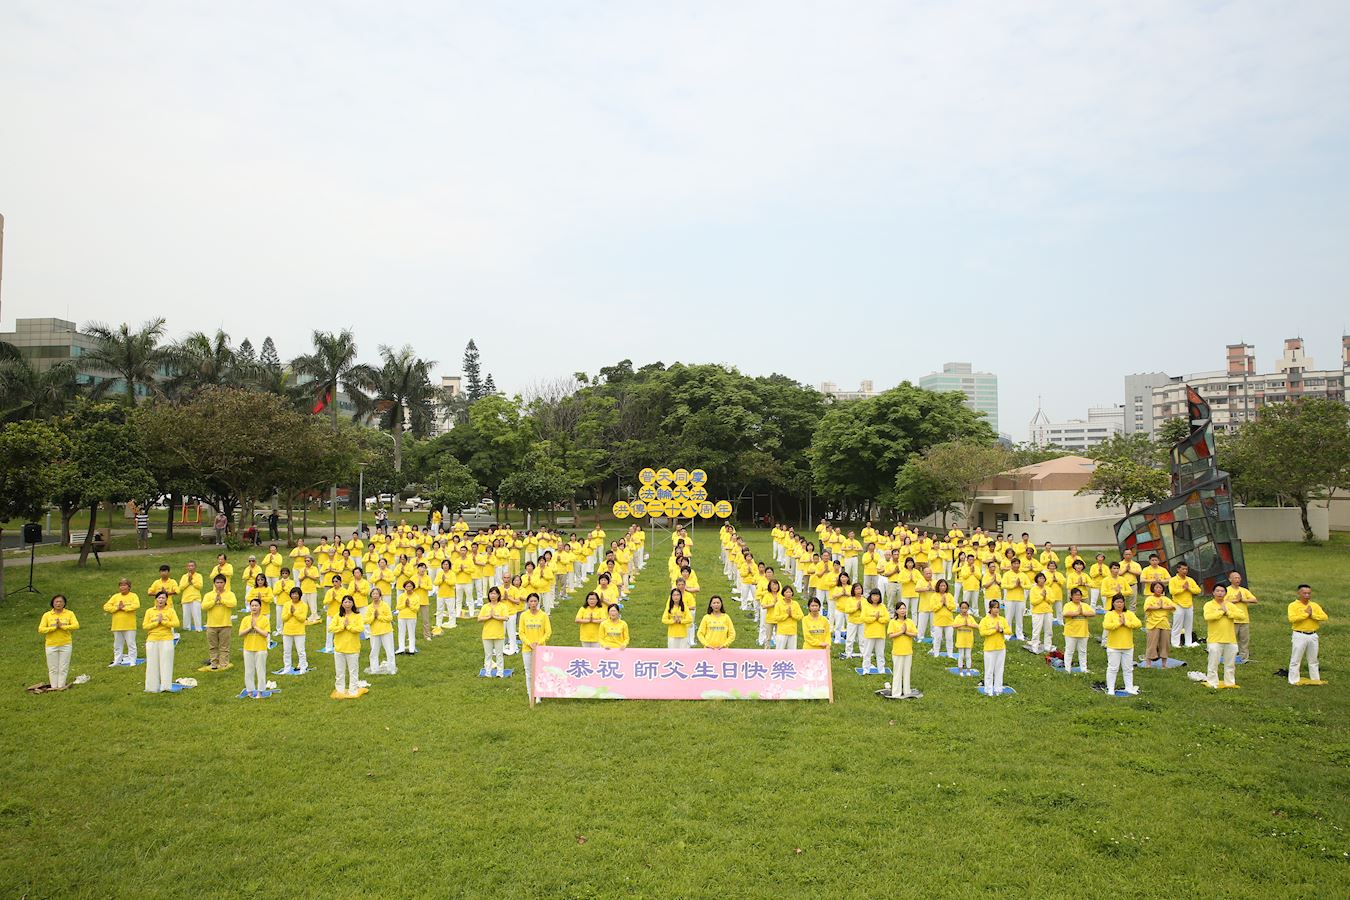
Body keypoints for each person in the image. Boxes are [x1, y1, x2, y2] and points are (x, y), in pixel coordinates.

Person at [1287, 584, 1329, 685]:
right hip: (1299, 634)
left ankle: (1315, 679)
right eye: (1304, 593)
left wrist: (1312, 615)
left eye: (1309, 593)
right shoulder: (1293, 605)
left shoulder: (1314, 605)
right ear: (1299, 593)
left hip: (1313, 635)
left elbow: (1324, 617)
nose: (1307, 595)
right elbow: (1292, 619)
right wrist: (1306, 614)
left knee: (1313, 659)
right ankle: (1293, 680)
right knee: (1296, 658)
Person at [1102, 594, 1141, 696]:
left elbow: (1138, 624)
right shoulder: (1109, 614)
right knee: (1113, 668)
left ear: (1124, 603)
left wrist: (1126, 623)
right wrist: (1118, 624)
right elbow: (1106, 626)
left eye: (1121, 602)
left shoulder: (1129, 614)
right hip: (1113, 647)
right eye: (1117, 602)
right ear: (1113, 603)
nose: (1119, 604)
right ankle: (1110, 688)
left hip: (1128, 646)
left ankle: (1129, 687)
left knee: (1128, 668)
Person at [38, 594, 79, 690]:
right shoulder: (47, 615)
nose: (58, 603)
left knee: (63, 666)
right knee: (53, 667)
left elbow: (76, 625)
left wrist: (63, 627)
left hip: (65, 644)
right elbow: (41, 629)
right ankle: (53, 686)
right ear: (53, 603)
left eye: (61, 601)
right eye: (56, 601)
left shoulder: (69, 613)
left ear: (64, 603)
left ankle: (61, 686)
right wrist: (53, 628)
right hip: (51, 645)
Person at [1203, 585, 1240, 689]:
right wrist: (1221, 612)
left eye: (1222, 591)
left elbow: (1241, 615)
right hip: (1215, 639)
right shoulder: (1209, 605)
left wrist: (1228, 612)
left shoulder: (1230, 605)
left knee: (1230, 663)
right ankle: (1212, 682)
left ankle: (1230, 682)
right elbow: (1208, 616)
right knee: (1213, 662)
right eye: (1217, 591)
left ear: (1225, 593)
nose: (1220, 593)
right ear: (1213, 593)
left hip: (1230, 638)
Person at [142, 590, 179, 693]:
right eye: (159, 598)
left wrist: (163, 621)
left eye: (163, 598)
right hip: (152, 639)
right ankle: (151, 687)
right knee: (152, 663)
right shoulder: (150, 611)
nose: (161, 600)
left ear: (166, 599)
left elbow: (176, 623)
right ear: (156, 599)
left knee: (166, 662)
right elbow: (145, 626)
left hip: (166, 639)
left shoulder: (170, 611)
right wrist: (156, 623)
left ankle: (166, 686)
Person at [518, 593, 551, 704]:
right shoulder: (523, 615)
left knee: (540, 671)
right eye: (531, 601)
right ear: (528, 603)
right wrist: (529, 643)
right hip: (527, 648)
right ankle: (530, 693)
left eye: (535, 601)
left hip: (540, 648)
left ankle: (539, 694)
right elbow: (521, 633)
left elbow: (548, 632)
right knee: (529, 672)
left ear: (538, 602)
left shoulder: (543, 615)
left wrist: (539, 643)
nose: (533, 603)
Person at [329, 596, 364, 698]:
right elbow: (331, 628)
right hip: (339, 648)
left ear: (352, 604)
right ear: (342, 604)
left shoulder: (357, 616)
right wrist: (342, 627)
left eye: (349, 602)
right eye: (345, 602)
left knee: (353, 671)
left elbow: (360, 628)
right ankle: (340, 690)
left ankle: (353, 690)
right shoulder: (337, 616)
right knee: (339, 671)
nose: (347, 604)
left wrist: (348, 627)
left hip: (352, 648)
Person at [201, 574, 237, 670]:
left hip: (225, 624)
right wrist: (214, 601)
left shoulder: (230, 594)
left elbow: (233, 604)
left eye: (221, 582)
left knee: (224, 647)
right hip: (211, 625)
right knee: (213, 646)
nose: (219, 584)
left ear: (225, 583)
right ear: (214, 583)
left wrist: (222, 600)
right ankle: (214, 664)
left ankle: (224, 663)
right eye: (217, 582)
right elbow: (204, 606)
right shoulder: (208, 595)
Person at [103, 578, 141, 667]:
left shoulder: (133, 596)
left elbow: (136, 605)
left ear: (129, 587)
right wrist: (117, 608)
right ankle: (117, 660)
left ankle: (132, 660)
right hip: (117, 625)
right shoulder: (115, 596)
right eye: (121, 585)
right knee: (117, 644)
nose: (122, 587)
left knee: (131, 643)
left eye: (124, 585)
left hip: (129, 625)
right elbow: (106, 606)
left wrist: (124, 608)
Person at [238, 597, 270, 698]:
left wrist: (255, 627)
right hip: (248, 648)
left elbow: (265, 634)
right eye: (252, 606)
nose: (254, 607)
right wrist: (250, 628)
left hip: (260, 648)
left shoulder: (264, 619)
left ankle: (260, 691)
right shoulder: (246, 619)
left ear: (260, 607)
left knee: (260, 670)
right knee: (248, 671)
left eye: (256, 605)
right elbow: (240, 633)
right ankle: (250, 690)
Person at [978, 600, 1010, 696]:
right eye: (994, 608)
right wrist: (994, 630)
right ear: (990, 609)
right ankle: (988, 689)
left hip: (1000, 648)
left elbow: (1009, 630)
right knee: (989, 670)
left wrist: (1001, 630)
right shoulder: (985, 620)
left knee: (999, 669)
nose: (996, 610)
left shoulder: (1002, 619)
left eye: (997, 608)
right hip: (989, 648)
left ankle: (998, 688)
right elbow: (983, 632)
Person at [1226, 571, 1258, 662]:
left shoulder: (1244, 590)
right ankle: (1230, 657)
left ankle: (1244, 658)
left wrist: (1243, 599)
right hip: (1232, 619)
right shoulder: (1227, 590)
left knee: (1244, 640)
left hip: (1244, 619)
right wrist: (1236, 600)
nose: (1237, 580)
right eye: (1235, 578)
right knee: (1231, 640)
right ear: (1230, 579)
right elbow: (1222, 603)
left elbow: (1255, 600)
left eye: (1239, 578)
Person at [1061, 588, 1095, 673]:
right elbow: (1065, 614)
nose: (1077, 597)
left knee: (1083, 651)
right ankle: (1067, 669)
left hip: (1083, 632)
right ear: (1071, 596)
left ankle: (1084, 668)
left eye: (1079, 595)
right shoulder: (1068, 605)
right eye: (1075, 595)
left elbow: (1092, 613)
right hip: (1071, 632)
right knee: (1069, 651)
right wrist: (1077, 613)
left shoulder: (1085, 605)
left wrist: (1083, 613)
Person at [887, 602, 917, 696]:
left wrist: (906, 632)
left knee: (907, 672)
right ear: (896, 611)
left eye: (904, 608)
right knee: (897, 672)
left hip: (908, 651)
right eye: (900, 609)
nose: (903, 610)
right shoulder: (893, 622)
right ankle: (896, 692)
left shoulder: (910, 621)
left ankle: (907, 691)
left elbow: (915, 634)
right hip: (897, 651)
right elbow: (890, 635)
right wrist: (901, 632)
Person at [478, 590, 511, 676]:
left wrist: (495, 617)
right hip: (487, 634)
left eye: (495, 593)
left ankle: (500, 673)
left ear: (498, 595)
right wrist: (489, 617)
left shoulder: (502, 606)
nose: (493, 595)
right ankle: (488, 672)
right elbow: (479, 619)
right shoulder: (485, 607)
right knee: (488, 654)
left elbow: (506, 618)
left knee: (499, 654)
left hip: (498, 634)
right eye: (491, 593)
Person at [1169, 563, 1201, 648]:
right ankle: (1175, 643)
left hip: (1189, 605)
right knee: (1177, 625)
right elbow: (1172, 591)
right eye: (1183, 569)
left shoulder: (1190, 580)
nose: (1185, 571)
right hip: (1178, 604)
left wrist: (1189, 588)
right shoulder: (1173, 580)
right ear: (1178, 569)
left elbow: (1198, 590)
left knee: (1188, 625)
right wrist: (1183, 589)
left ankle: (1188, 642)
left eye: (1186, 569)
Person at [364, 589, 395, 675]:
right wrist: (373, 617)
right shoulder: (369, 607)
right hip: (374, 632)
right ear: (371, 596)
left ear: (380, 595)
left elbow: (390, 618)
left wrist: (379, 616)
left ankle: (391, 668)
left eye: (377, 594)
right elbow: (366, 620)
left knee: (389, 650)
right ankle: (374, 669)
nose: (375, 595)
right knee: (374, 651)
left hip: (386, 631)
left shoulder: (385, 605)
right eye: (373, 594)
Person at [1142, 582, 1174, 666]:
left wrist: (1164, 607)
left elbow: (1173, 606)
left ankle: (1164, 664)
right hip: (1153, 623)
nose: (1158, 589)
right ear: (1153, 589)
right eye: (1156, 587)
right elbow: (1147, 607)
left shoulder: (1165, 599)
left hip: (1164, 623)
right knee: (1152, 643)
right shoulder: (1149, 599)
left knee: (1165, 643)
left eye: (1160, 588)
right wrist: (1158, 607)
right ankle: (1148, 664)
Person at [280, 586, 310, 673]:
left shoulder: (303, 605)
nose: (295, 596)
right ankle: (287, 667)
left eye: (296, 594)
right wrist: (290, 612)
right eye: (293, 594)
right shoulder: (286, 604)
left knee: (301, 651)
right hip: (287, 631)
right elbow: (284, 618)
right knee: (286, 651)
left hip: (299, 631)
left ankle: (303, 667)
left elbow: (302, 618)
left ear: (299, 595)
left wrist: (295, 612)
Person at [860, 589, 890, 672]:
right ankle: (866, 669)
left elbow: (887, 619)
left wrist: (879, 619)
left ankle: (881, 669)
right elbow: (863, 618)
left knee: (880, 653)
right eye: (873, 595)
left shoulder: (882, 607)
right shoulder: (866, 607)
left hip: (880, 634)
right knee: (867, 653)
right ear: (870, 596)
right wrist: (874, 618)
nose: (875, 598)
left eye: (877, 596)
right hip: (869, 634)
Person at [1028, 572, 1055, 654]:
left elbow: (1052, 600)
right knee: (1036, 630)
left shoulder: (1048, 589)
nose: (1042, 580)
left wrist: (1045, 597)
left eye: (1043, 578)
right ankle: (1034, 646)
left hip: (1048, 611)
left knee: (1049, 630)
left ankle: (1048, 646)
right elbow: (1033, 602)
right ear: (1037, 580)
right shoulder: (1033, 589)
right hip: (1037, 612)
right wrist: (1041, 597)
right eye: (1040, 578)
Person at [770, 586, 804, 651]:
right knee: (779, 650)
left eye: (790, 592)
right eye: (787, 592)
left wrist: (792, 615)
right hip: (782, 632)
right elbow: (775, 617)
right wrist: (786, 615)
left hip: (792, 631)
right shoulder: (779, 604)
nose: (788, 594)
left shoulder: (795, 604)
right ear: (783, 593)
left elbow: (801, 616)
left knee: (792, 651)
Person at [929, 579, 957, 658]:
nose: (943, 587)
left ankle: (950, 654)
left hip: (949, 621)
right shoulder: (934, 596)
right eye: (941, 585)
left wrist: (946, 604)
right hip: (938, 621)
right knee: (937, 638)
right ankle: (936, 653)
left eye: (944, 586)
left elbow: (953, 607)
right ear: (938, 586)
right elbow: (933, 608)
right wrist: (941, 604)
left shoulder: (949, 595)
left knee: (949, 638)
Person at [951, 600, 977, 676]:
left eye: (966, 608)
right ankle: (961, 670)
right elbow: (954, 625)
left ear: (968, 609)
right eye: (962, 608)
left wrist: (969, 624)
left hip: (969, 640)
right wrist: (963, 624)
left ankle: (968, 670)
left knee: (968, 656)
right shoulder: (958, 617)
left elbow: (977, 626)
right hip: (961, 640)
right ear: (960, 609)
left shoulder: (970, 618)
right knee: (961, 655)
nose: (964, 610)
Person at [178, 561, 205, 632]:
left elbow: (200, 586)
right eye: (189, 566)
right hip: (186, 598)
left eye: (192, 566)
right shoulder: (184, 576)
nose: (190, 568)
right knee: (186, 615)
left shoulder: (199, 576)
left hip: (195, 598)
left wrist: (192, 581)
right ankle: (187, 628)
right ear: (187, 567)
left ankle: (198, 628)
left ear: (195, 567)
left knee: (196, 614)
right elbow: (181, 587)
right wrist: (188, 582)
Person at [396, 579, 420, 655]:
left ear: (413, 587)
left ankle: (411, 649)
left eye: (410, 586)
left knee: (411, 633)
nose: (408, 588)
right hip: (402, 616)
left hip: (411, 617)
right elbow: (398, 607)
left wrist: (409, 605)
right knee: (401, 633)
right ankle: (401, 648)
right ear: (405, 587)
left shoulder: (416, 597)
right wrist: (404, 604)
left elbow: (416, 609)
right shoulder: (401, 596)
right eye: (407, 586)